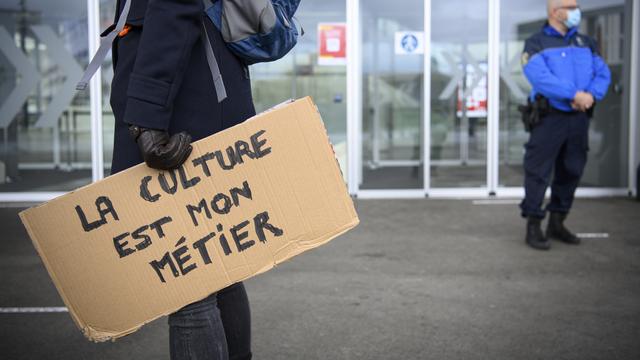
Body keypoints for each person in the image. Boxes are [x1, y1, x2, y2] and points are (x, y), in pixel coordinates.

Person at [108, 0, 254, 358]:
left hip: (179, 107)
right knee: (220, 271)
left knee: (188, 286)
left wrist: (146, 117)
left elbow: (172, 6)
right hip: (205, 91)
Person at [520, 0, 611, 250]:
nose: (575, 11)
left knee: (571, 170)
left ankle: (557, 222)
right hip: (549, 119)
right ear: (555, 11)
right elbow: (540, 78)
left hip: (578, 118)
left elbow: (603, 73)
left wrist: (591, 95)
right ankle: (534, 226)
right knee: (538, 172)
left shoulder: (585, 43)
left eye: (576, 6)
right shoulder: (535, 43)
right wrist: (575, 95)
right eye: (570, 6)